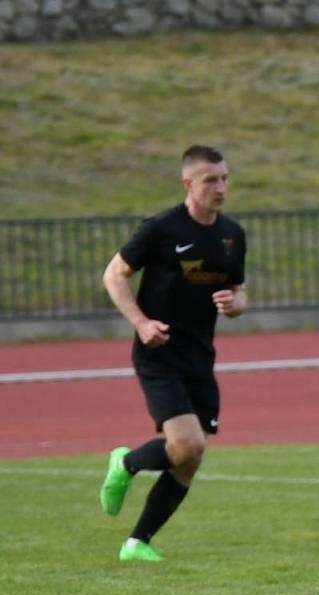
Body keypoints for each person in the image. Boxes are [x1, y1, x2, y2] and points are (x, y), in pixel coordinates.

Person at [99, 144, 248, 562]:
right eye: (210, 180)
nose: (221, 188)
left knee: (189, 459)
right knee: (187, 444)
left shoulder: (233, 234)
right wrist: (141, 323)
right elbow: (114, 274)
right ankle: (125, 463)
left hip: (200, 356)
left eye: (224, 178)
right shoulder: (162, 229)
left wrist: (236, 305)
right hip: (159, 352)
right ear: (188, 184)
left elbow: (238, 290)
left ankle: (136, 543)